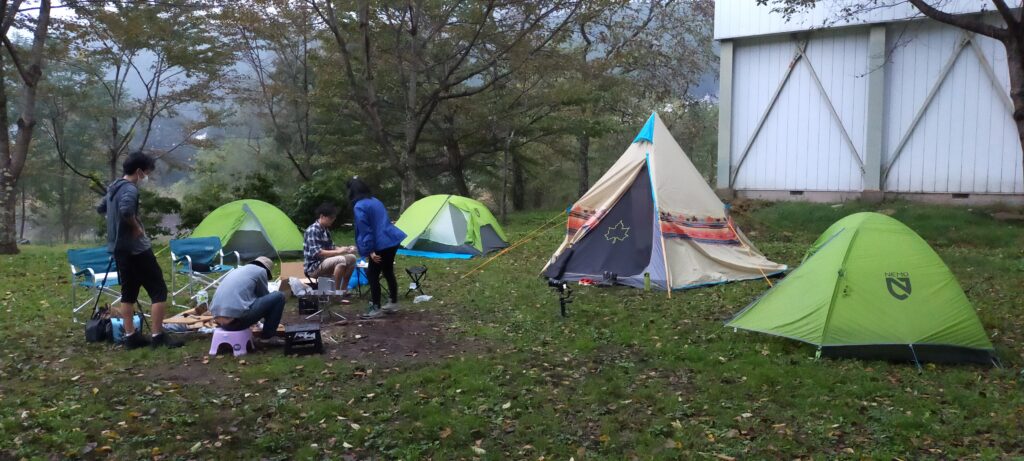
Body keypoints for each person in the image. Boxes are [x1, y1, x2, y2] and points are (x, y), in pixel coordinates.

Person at [97, 151, 182, 349]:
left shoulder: (113, 187)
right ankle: (158, 336)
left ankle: (130, 337)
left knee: (128, 293)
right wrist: (134, 227)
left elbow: (101, 209)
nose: (147, 176)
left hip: (119, 250)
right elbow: (126, 210)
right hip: (137, 250)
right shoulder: (129, 189)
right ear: (138, 171)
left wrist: (116, 226)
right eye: (147, 172)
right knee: (158, 290)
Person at [347, 177, 407, 319]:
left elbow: (366, 230)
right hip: (392, 239)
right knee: (387, 271)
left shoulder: (359, 206)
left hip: (380, 243)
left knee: (372, 274)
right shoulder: (375, 201)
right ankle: (393, 301)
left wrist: (370, 251)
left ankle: (376, 308)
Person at [211, 256, 286, 344]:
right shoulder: (261, 271)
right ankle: (268, 337)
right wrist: (271, 319)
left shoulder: (238, 270)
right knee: (279, 296)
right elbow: (264, 297)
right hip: (235, 323)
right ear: (267, 270)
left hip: (220, 323)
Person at [303, 202, 357, 296]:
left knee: (352, 258)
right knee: (340, 260)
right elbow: (318, 253)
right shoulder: (313, 230)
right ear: (322, 216)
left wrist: (346, 249)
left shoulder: (325, 230)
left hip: (324, 262)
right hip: (314, 266)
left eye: (334, 218)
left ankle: (343, 290)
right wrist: (339, 251)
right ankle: (334, 293)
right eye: (330, 218)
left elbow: (331, 247)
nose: (332, 220)